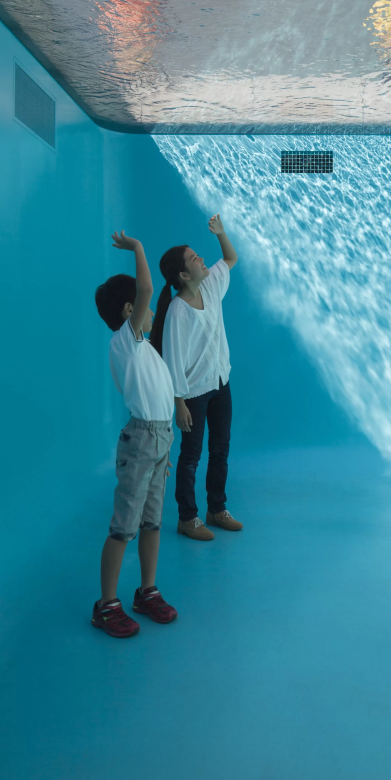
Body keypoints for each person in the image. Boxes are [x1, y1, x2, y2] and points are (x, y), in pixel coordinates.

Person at [92, 231, 178, 638]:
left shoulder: (146, 351)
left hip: (158, 442)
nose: (151, 312)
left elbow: (161, 404)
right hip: (141, 441)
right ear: (130, 311)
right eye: (144, 308)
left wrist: (166, 451)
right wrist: (139, 248)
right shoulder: (126, 342)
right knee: (123, 526)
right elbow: (145, 288)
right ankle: (106, 605)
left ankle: (147, 591)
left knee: (152, 522)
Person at [150, 214, 241, 541]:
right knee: (191, 456)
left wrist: (221, 233)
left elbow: (230, 258)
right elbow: (173, 361)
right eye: (194, 258)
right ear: (183, 275)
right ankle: (187, 517)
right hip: (194, 394)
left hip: (221, 383)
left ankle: (217, 509)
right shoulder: (178, 312)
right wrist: (179, 404)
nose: (202, 259)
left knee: (220, 449)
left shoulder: (211, 284)